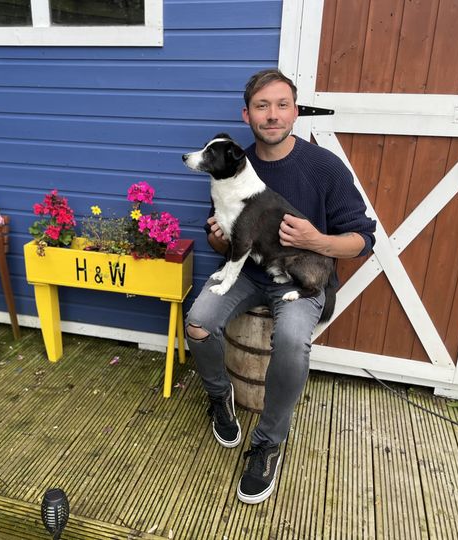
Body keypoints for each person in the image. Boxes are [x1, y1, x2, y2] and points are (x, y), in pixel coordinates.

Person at [184, 69, 376, 505]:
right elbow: (226, 236)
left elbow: (362, 239)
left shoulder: (323, 166)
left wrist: (316, 240)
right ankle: (220, 396)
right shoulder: (231, 161)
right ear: (247, 114)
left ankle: (269, 441)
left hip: (300, 274)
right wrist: (217, 237)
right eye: (262, 106)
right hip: (249, 274)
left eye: (282, 105)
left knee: (291, 341)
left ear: (295, 109)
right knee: (197, 324)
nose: (272, 116)